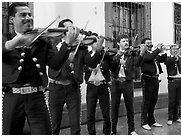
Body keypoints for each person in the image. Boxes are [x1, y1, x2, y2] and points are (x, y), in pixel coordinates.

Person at [2, 3, 79, 135]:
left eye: (30, 14)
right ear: (11, 19)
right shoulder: (5, 38)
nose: (28, 17)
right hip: (12, 97)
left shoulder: (42, 40)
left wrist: (67, 44)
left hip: (36, 97)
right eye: (23, 15)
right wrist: (15, 42)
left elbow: (55, 64)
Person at [47, 19, 86, 135]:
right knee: (54, 124)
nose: (71, 31)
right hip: (56, 88)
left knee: (75, 125)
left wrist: (95, 49)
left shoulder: (80, 47)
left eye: (73, 28)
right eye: (68, 28)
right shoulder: (53, 45)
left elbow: (90, 62)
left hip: (72, 87)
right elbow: (54, 64)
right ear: (62, 32)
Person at [110, 34, 145, 135]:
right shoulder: (113, 54)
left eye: (127, 41)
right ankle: (113, 130)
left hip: (127, 82)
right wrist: (118, 59)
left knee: (130, 107)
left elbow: (137, 64)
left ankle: (131, 130)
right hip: (116, 83)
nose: (126, 43)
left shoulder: (132, 54)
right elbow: (111, 68)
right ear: (118, 43)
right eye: (123, 41)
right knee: (114, 107)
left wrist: (141, 54)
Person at [83, 35, 112, 135]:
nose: (97, 44)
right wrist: (89, 68)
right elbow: (86, 64)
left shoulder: (105, 54)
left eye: (98, 42)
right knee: (90, 113)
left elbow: (112, 65)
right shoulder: (87, 55)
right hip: (91, 86)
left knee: (106, 112)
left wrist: (115, 56)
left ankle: (107, 132)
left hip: (103, 85)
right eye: (95, 42)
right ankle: (91, 133)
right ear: (91, 44)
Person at [140, 38, 166, 130]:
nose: (150, 44)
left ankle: (152, 120)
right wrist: (157, 49)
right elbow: (149, 58)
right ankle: (144, 122)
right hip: (147, 78)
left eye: (151, 42)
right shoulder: (143, 53)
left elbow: (162, 60)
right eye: (148, 43)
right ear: (143, 45)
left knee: (153, 101)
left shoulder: (153, 53)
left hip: (155, 79)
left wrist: (162, 52)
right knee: (146, 101)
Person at [164, 44, 181, 125]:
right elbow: (167, 63)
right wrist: (175, 57)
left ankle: (176, 117)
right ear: (170, 50)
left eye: (177, 49)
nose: (175, 50)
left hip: (180, 80)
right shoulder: (168, 58)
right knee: (172, 100)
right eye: (174, 49)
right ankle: (170, 118)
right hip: (172, 81)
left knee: (178, 100)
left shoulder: (180, 58)